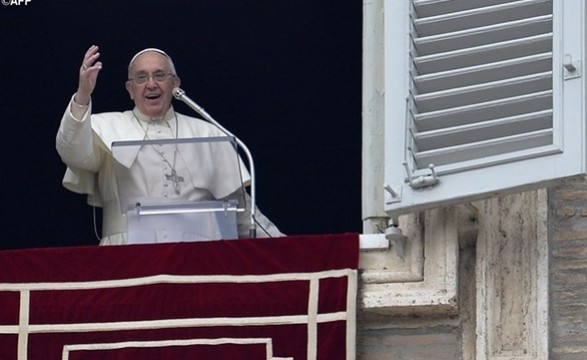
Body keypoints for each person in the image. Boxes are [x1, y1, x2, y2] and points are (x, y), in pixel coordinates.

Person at [56, 45, 283, 245]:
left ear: (175, 84)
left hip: (197, 257)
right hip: (126, 254)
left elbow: (242, 214)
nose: (151, 84)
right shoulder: (103, 127)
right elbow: (72, 152)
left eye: (159, 75)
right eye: (141, 77)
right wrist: (83, 96)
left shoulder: (207, 132)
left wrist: (290, 250)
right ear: (130, 89)